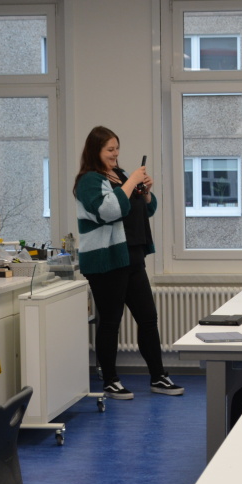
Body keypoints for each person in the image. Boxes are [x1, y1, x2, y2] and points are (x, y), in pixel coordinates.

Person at [74, 126, 182, 400]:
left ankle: (158, 376)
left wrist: (145, 193)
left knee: (148, 318)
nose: (115, 154)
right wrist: (132, 181)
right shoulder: (89, 180)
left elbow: (145, 209)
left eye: (117, 148)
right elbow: (108, 210)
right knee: (111, 321)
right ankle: (110, 380)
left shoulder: (120, 176)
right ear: (95, 151)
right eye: (109, 149)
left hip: (132, 255)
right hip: (107, 260)